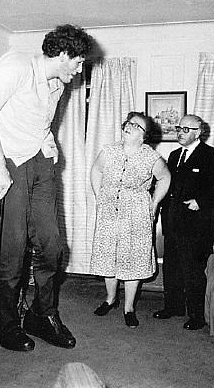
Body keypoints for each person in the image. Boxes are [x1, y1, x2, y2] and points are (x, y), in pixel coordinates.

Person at [0, 24, 94, 351]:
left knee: (52, 246)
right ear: (63, 54)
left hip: (38, 160)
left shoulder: (58, 84)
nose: (79, 70)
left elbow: (38, 121)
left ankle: (42, 315)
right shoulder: (15, 65)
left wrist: (48, 141)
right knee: (11, 250)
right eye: (78, 62)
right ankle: (5, 323)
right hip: (5, 159)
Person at [90, 112, 171, 328]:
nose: (129, 126)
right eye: (129, 123)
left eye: (136, 125)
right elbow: (96, 170)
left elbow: (165, 178)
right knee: (109, 256)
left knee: (132, 259)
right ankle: (110, 299)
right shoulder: (109, 151)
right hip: (109, 211)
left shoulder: (151, 157)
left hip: (136, 213)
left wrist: (154, 202)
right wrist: (99, 196)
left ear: (144, 136)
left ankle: (129, 308)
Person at [153, 114, 214, 330]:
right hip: (173, 223)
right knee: (172, 267)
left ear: (199, 133)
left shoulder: (212, 156)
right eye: (179, 128)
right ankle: (173, 306)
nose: (180, 133)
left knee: (194, 271)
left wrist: (201, 202)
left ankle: (197, 315)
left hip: (197, 227)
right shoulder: (174, 155)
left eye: (186, 130)